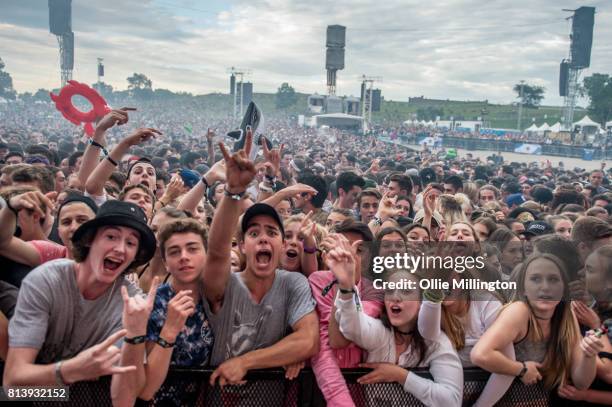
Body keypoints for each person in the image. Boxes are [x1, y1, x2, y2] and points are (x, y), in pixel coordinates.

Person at [3, 200, 158, 406]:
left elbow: (124, 401)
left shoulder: (131, 302)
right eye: (111, 236)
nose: (120, 249)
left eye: (131, 243)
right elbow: (12, 386)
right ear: (89, 240)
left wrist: (136, 335)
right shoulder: (46, 281)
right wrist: (71, 371)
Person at [201, 132, 319, 387]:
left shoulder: (293, 283)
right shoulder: (225, 283)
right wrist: (233, 192)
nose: (263, 239)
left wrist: (245, 362)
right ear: (242, 245)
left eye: (272, 232)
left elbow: (308, 340)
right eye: (254, 233)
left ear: (283, 244)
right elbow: (217, 251)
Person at [332, 258, 463, 406]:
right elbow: (352, 326)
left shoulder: (437, 342)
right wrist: (346, 287)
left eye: (406, 291)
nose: (395, 297)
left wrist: (400, 375)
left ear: (422, 302)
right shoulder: (382, 333)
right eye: (390, 290)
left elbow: (452, 401)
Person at [471, 254, 605, 393]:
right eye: (535, 279)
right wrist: (521, 369)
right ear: (524, 289)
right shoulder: (518, 311)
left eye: (553, 279)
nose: (545, 287)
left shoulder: (567, 317)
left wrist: (589, 355)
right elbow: (480, 354)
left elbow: (582, 383)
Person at [308, 220, 382, 407]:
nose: (348, 253)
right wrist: (341, 280)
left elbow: (344, 333)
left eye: (358, 249)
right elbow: (328, 337)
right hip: (314, 386)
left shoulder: (375, 291)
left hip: (355, 387)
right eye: (342, 246)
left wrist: (346, 282)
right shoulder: (317, 280)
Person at [140, 218, 214, 405]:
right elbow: (146, 388)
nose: (183, 256)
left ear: (207, 254)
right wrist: (169, 330)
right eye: (174, 252)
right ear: (165, 263)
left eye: (192, 248)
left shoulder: (218, 296)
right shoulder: (153, 304)